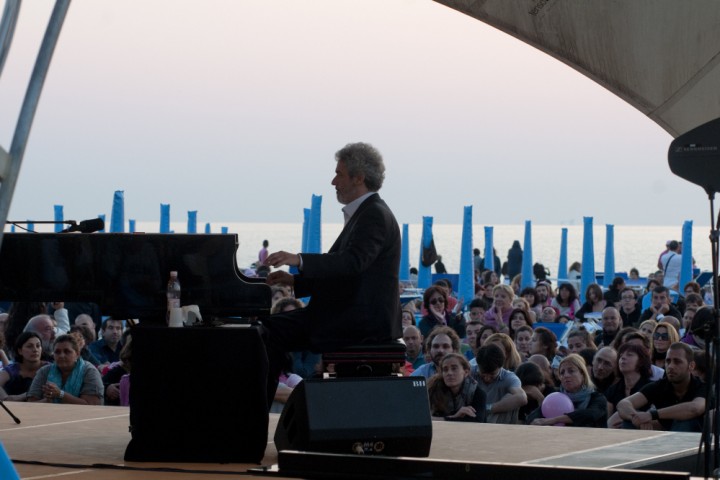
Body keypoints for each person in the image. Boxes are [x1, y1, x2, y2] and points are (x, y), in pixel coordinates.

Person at [263, 143, 402, 406]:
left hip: (360, 322)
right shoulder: (368, 212)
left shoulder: (373, 215)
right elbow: (347, 272)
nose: (333, 181)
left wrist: (299, 259)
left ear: (358, 177)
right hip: (354, 315)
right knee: (268, 328)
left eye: (339, 173)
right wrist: (295, 280)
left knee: (267, 332)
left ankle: (259, 406)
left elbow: (352, 263)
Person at [617, 342, 705, 432]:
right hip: (664, 437)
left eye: (677, 362)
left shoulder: (702, 386)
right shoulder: (660, 386)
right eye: (668, 361)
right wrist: (637, 418)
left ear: (691, 366)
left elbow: (694, 408)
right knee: (628, 422)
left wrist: (652, 415)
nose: (670, 366)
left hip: (696, 441)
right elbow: (623, 404)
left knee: (685, 422)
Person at [527, 354, 608, 428]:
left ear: (582, 374)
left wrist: (554, 420)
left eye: (571, 371)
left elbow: (590, 414)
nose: (566, 375)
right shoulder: (556, 397)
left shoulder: (597, 398)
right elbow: (532, 417)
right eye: (562, 373)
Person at [27, 334, 104, 405]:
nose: (62, 355)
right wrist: (48, 400)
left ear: (77, 354)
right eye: (57, 352)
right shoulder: (44, 372)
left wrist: (60, 394)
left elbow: (92, 406)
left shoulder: (89, 371)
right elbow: (31, 404)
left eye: (67, 351)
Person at [473, 343, 527, 424]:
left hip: (498, 420)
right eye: (483, 374)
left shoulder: (509, 377)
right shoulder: (468, 373)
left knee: (511, 396)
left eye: (492, 375)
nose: (487, 378)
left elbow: (522, 397)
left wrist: (488, 408)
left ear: (500, 367)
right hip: (472, 416)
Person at [427, 353, 486, 422]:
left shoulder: (477, 393)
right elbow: (426, 419)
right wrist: (455, 416)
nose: (449, 373)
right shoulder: (434, 390)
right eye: (445, 370)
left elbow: (477, 420)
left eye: (454, 368)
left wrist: (447, 418)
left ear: (466, 372)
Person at [606, 343, 653, 428]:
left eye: (629, 355)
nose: (623, 358)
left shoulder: (651, 387)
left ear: (641, 361)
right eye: (620, 356)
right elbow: (609, 420)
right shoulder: (612, 389)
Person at [0, 332, 48, 402]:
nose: (35, 350)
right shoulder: (13, 369)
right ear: (20, 351)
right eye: (29, 346)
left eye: (38, 346)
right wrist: (6, 398)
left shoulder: (49, 368)